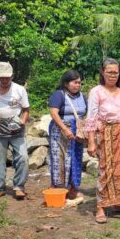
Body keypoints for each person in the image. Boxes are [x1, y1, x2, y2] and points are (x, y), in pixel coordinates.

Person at [85, 59, 120, 224]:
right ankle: (101, 206)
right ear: (102, 72)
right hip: (106, 134)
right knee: (106, 170)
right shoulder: (97, 92)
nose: (112, 75)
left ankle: (118, 203)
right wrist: (91, 141)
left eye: (115, 72)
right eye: (109, 72)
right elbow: (92, 117)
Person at [0, 62, 30, 199]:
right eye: (1, 78)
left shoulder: (19, 89)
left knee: (23, 157)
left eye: (7, 78)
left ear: (12, 76)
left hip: (16, 127)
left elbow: (25, 110)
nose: (4, 80)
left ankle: (19, 186)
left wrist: (22, 123)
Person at [48, 70, 87, 201]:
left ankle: (73, 189)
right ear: (66, 83)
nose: (78, 85)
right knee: (60, 159)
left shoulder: (83, 96)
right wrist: (65, 129)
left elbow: (84, 114)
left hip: (77, 132)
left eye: (79, 83)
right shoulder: (59, 95)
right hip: (60, 131)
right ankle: (58, 189)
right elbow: (54, 114)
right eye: (75, 82)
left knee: (76, 159)